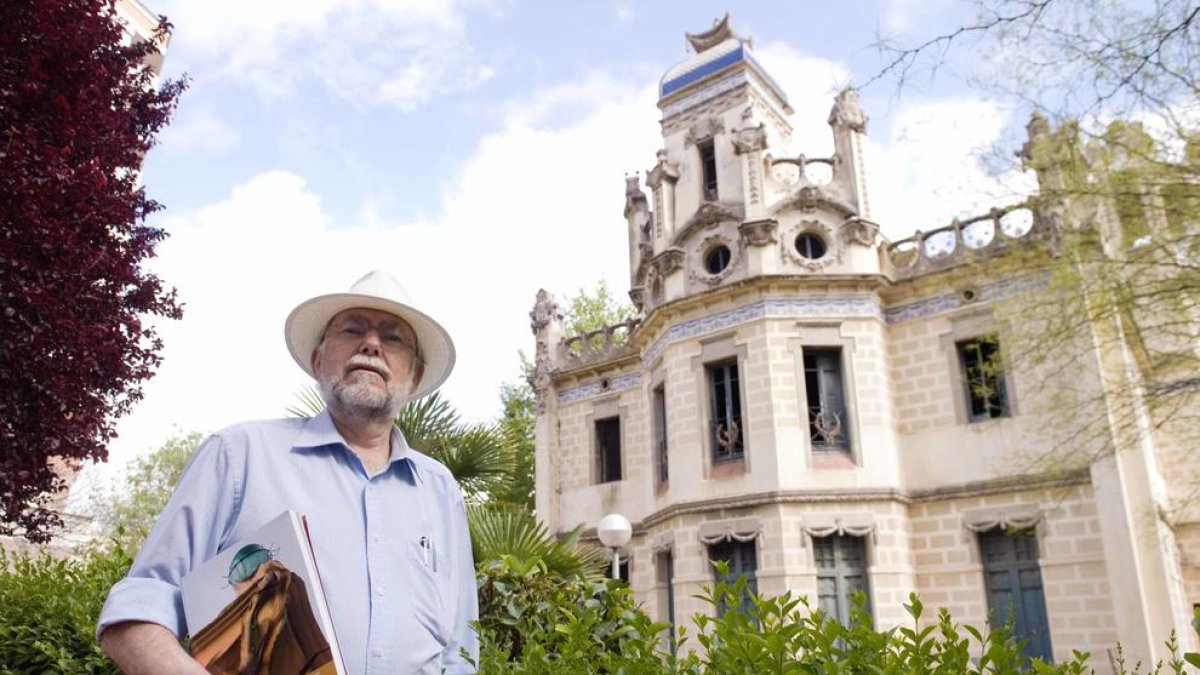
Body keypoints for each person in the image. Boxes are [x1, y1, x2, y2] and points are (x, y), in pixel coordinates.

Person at [97, 270, 479, 674]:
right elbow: (137, 612)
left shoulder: (440, 490)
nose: (371, 344)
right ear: (318, 360)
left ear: (414, 376)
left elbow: (460, 648)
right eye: (352, 330)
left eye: (393, 337)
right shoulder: (238, 456)